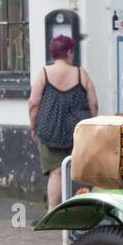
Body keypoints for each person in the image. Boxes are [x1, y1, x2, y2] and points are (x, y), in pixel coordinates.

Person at [28, 36, 98, 208]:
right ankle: (79, 211)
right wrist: (93, 125)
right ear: (69, 52)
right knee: (79, 170)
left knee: (56, 172)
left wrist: (33, 126)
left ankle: (53, 212)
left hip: (50, 128)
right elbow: (93, 102)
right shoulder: (81, 73)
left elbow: (33, 103)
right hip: (78, 129)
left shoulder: (44, 73)